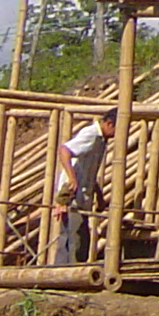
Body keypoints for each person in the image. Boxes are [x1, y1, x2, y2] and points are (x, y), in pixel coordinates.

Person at [49, 109, 115, 266]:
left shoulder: (101, 140)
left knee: (72, 237)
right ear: (109, 124)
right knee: (76, 240)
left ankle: (62, 271)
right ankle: (68, 273)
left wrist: (99, 196)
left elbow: (87, 171)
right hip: (74, 195)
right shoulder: (91, 134)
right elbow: (64, 150)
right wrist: (72, 178)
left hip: (83, 196)